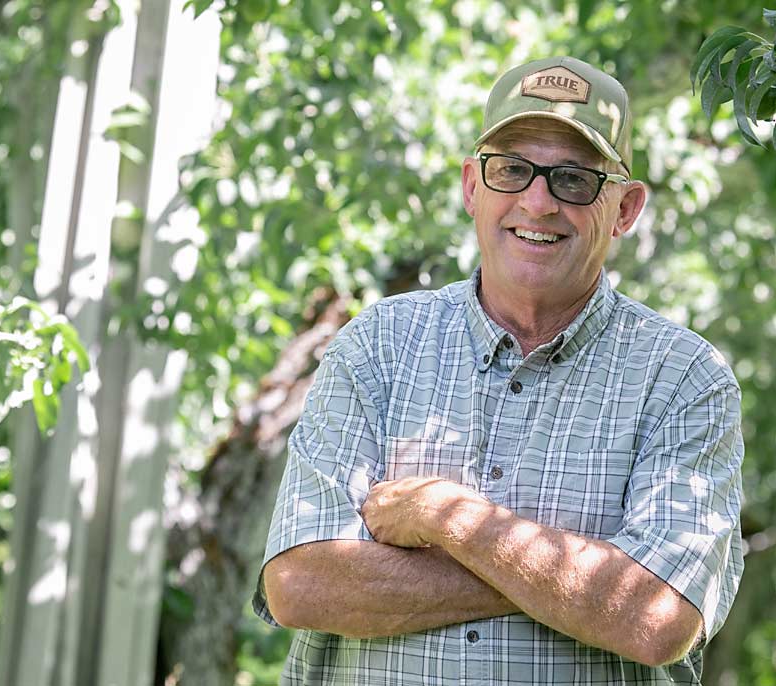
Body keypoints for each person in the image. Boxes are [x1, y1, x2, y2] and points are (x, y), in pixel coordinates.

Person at [253, 55, 745, 685]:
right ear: (470, 187)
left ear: (624, 208)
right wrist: (578, 583)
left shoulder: (683, 378)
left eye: (573, 178)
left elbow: (656, 618)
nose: (537, 202)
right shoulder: (377, 346)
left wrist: (445, 516)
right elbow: (300, 584)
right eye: (512, 170)